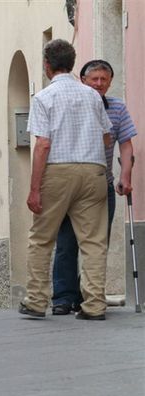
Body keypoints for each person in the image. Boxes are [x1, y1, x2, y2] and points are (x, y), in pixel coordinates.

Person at [19, 39, 113, 321]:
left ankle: (36, 300)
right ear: (72, 64)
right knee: (94, 242)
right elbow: (107, 136)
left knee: (42, 238)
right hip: (93, 169)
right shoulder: (93, 96)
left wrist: (35, 188)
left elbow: (43, 145)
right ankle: (94, 305)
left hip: (58, 171)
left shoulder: (44, 98)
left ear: (47, 65)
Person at [51, 60, 137, 316]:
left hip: (102, 184)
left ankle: (87, 296)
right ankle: (64, 297)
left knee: (97, 244)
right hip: (68, 185)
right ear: (83, 80)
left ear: (110, 81)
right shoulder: (74, 104)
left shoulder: (118, 107)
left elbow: (126, 145)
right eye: (94, 79)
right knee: (67, 242)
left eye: (104, 79)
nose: (99, 84)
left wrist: (126, 175)